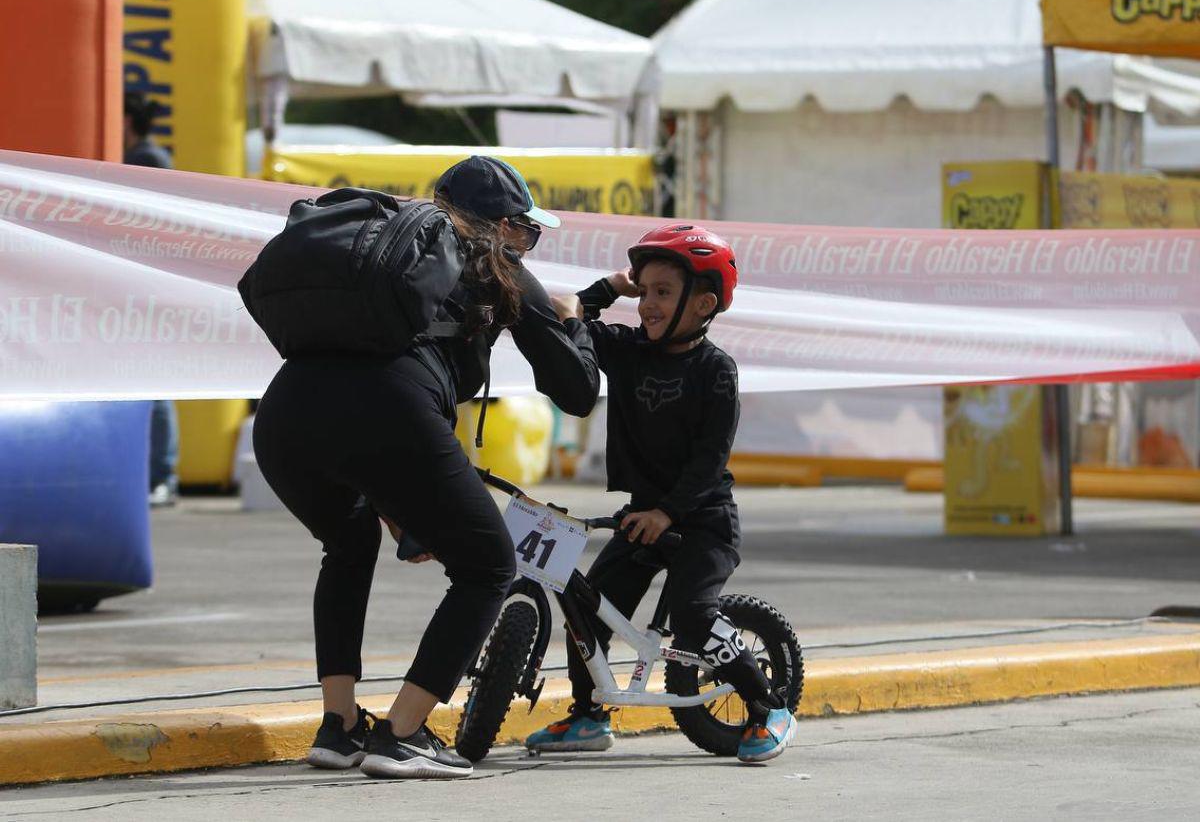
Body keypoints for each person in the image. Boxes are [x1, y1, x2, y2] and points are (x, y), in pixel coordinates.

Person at [251, 156, 600, 780]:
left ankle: (340, 726)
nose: (528, 242)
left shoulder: (391, 253)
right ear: (503, 226)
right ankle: (403, 734)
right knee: (488, 565)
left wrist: (398, 500)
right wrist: (574, 320)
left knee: (347, 542)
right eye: (526, 229)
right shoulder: (506, 275)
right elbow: (576, 391)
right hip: (391, 408)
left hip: (285, 414)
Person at [528, 223, 797, 764]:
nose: (647, 304)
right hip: (642, 518)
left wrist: (667, 511)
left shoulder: (716, 370)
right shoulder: (629, 351)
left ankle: (768, 707)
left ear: (703, 304)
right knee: (588, 607)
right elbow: (567, 311)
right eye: (644, 291)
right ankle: (589, 715)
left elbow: (710, 459)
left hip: (702, 520)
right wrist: (608, 287)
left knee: (696, 616)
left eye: (662, 293)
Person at [122, 91, 178, 507]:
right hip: (140, 277)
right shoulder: (147, 156)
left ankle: (163, 474)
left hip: (147, 278)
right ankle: (157, 472)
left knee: (154, 378)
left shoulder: (147, 159)